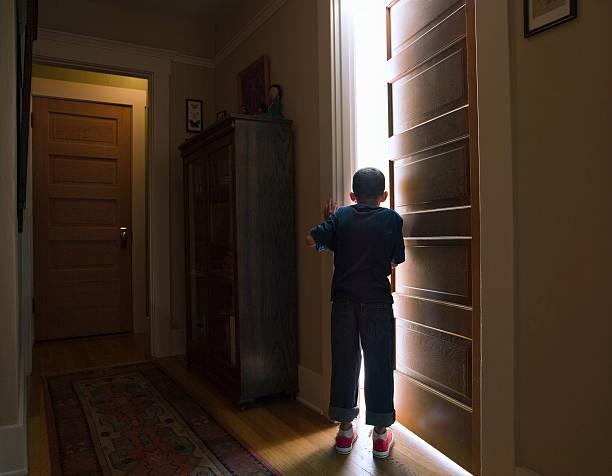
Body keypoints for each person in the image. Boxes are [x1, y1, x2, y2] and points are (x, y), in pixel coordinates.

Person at [305, 167, 405, 458]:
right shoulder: (392, 219)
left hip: (344, 303)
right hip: (377, 303)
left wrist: (332, 223)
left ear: (352, 195)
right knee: (379, 364)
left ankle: (345, 431)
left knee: (346, 362)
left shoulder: (342, 217)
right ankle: (381, 436)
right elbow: (396, 260)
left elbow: (312, 240)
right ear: (384, 196)